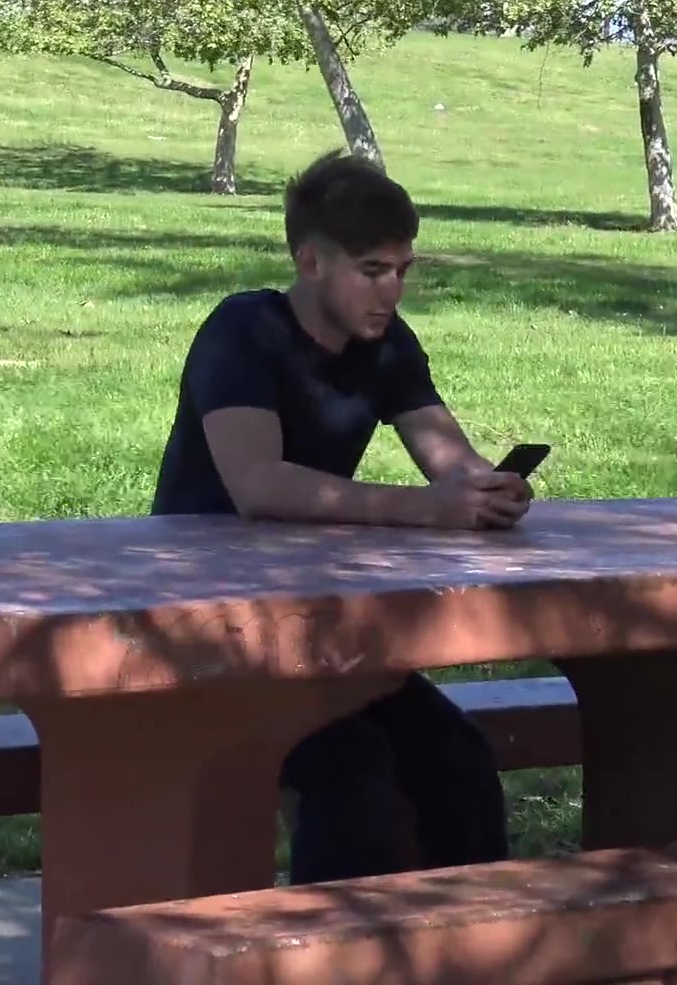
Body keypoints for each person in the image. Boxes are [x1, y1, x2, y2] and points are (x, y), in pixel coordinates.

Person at [149, 148, 532, 884]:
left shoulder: (387, 344)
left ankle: (471, 939)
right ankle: (334, 942)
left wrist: (488, 488)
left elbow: (447, 455)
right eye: (372, 270)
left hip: (321, 629)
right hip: (208, 626)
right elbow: (258, 485)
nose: (391, 291)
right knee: (351, 776)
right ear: (311, 262)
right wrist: (428, 510)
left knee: (460, 761)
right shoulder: (243, 331)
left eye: (403, 270)